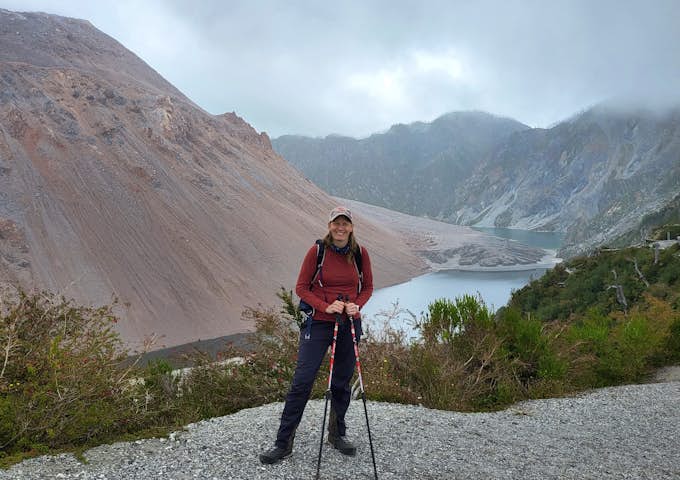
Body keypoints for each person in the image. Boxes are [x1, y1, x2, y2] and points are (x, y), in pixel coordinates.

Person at [259, 206, 373, 464]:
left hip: (349, 322)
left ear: (351, 227)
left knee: (341, 382)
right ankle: (283, 443)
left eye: (345, 223)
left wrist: (357, 304)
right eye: (336, 223)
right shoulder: (318, 251)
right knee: (302, 380)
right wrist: (325, 306)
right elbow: (301, 288)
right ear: (330, 225)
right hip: (320, 323)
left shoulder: (360, 253)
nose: (340, 228)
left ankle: (336, 434)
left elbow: (367, 287)